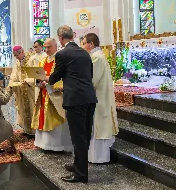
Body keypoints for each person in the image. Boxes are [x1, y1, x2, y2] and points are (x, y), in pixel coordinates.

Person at [47, 25, 97, 183]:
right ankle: (78, 165)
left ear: (61, 38)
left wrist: (43, 79)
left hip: (75, 101)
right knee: (85, 135)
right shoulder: (85, 52)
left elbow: (55, 77)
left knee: (78, 138)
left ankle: (81, 174)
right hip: (89, 98)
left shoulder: (62, 54)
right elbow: (89, 75)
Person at [81, 34, 118, 163]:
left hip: (98, 97)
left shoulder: (96, 58)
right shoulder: (96, 56)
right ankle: (93, 156)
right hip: (97, 96)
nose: (82, 46)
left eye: (84, 43)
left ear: (91, 44)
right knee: (96, 125)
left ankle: (98, 158)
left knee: (98, 125)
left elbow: (92, 80)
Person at [33, 38, 72, 152]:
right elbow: (38, 76)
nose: (46, 49)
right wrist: (38, 83)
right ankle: (43, 143)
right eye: (45, 47)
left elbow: (62, 77)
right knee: (42, 118)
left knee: (55, 119)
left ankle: (55, 145)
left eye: (49, 47)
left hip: (55, 95)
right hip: (43, 93)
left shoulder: (60, 59)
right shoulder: (42, 61)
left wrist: (49, 84)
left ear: (56, 46)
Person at [8, 45, 36, 135]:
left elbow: (37, 75)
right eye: (15, 56)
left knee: (33, 110)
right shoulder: (18, 62)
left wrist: (27, 81)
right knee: (23, 110)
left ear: (22, 52)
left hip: (31, 90)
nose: (16, 58)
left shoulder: (32, 59)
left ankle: (35, 131)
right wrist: (13, 82)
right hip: (21, 90)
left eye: (17, 55)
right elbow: (14, 75)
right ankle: (27, 130)